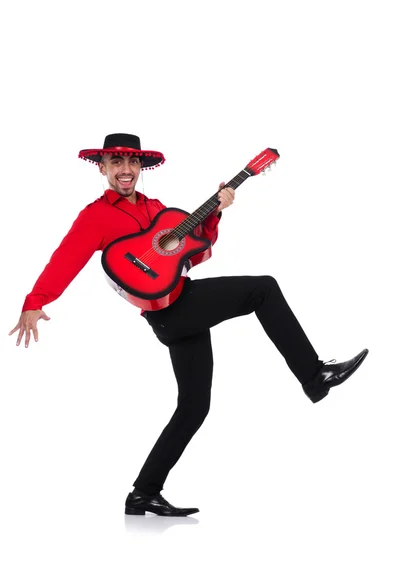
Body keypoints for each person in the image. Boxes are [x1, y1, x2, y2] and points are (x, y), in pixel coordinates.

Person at [9, 133, 369, 517]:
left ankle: (143, 494)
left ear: (141, 168)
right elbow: (66, 258)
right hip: (170, 313)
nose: (125, 170)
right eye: (116, 162)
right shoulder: (95, 215)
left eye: (132, 163)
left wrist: (217, 210)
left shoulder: (159, 209)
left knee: (194, 407)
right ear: (103, 168)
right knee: (263, 290)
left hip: (180, 303)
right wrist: (35, 302)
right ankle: (314, 376)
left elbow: (192, 251)